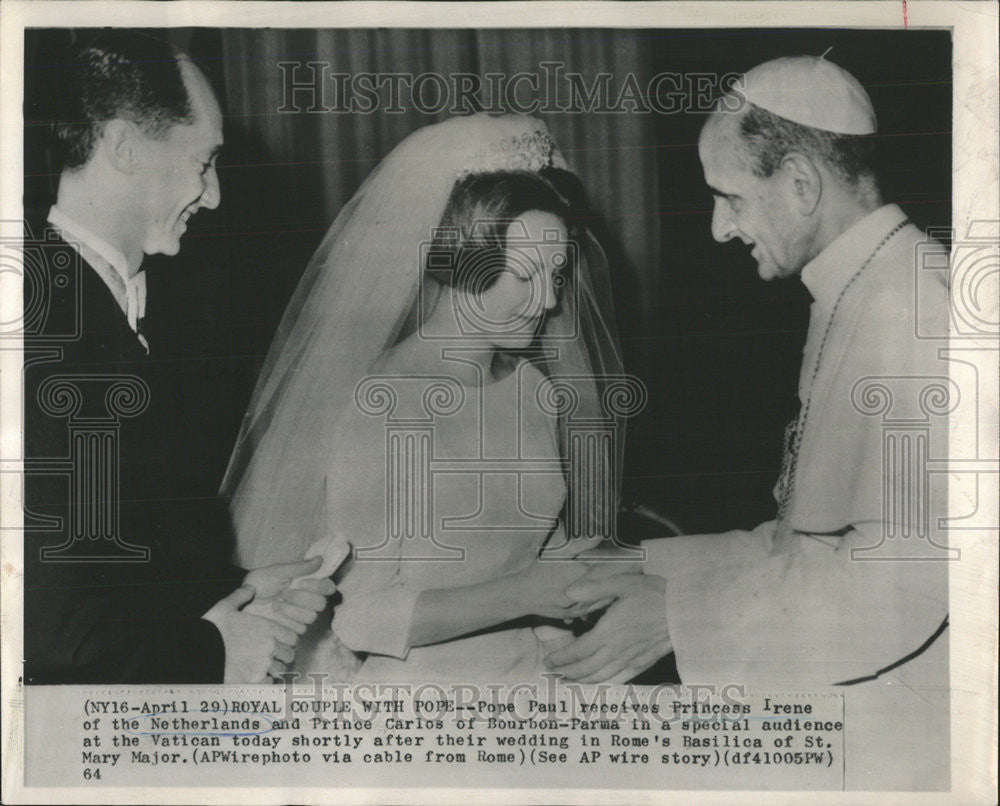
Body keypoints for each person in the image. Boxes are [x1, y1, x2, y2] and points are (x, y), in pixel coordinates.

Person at [547, 56, 950, 786]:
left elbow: (901, 589)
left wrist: (677, 616)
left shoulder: (914, 313)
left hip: (908, 737)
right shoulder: (859, 287)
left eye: (729, 197)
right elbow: (812, 543)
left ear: (801, 184)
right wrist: (645, 563)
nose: (718, 229)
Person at [223, 114, 627, 683]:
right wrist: (528, 594)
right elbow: (359, 614)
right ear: (463, 259)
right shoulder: (385, 403)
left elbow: (537, 549)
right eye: (524, 274)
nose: (548, 300)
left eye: (558, 274)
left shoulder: (535, 390)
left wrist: (559, 622)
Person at [23, 31, 333, 684]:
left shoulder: (93, 304)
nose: (214, 196)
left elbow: (106, 564)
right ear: (124, 147)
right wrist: (216, 652)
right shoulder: (44, 335)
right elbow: (43, 626)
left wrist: (238, 589)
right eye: (204, 162)